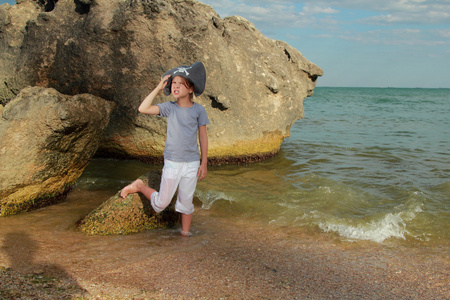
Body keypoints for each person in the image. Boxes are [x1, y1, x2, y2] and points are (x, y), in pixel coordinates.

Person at [120, 62, 209, 237]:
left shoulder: (199, 110)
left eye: (180, 83)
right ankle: (139, 186)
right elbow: (143, 108)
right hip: (172, 162)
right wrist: (158, 88)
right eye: (173, 83)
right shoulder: (169, 108)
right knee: (161, 204)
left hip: (191, 163)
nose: (175, 86)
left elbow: (203, 137)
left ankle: (185, 235)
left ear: (190, 89)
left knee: (186, 202)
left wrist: (204, 162)